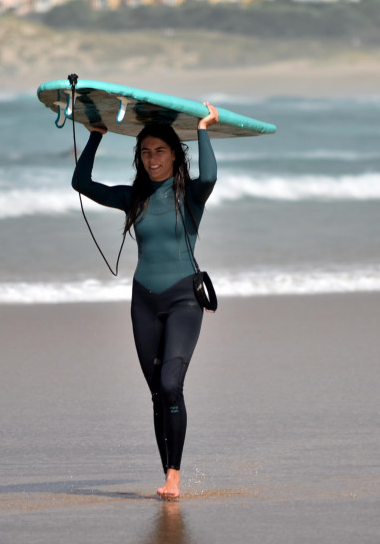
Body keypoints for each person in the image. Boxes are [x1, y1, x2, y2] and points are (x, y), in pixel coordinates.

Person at [72, 103, 219, 500]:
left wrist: (203, 128)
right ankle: (167, 474)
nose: (152, 159)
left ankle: (174, 475)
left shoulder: (190, 196)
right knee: (158, 392)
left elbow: (211, 174)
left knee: (172, 384)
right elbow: (81, 183)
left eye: (160, 151)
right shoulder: (133, 198)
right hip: (144, 302)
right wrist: (95, 135)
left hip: (184, 298)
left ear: (174, 154)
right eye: (146, 152)